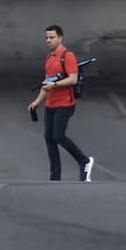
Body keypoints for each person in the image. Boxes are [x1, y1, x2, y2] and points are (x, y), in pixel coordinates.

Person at [28, 25, 95, 182]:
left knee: (58, 135)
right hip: (51, 104)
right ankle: (55, 178)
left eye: (52, 37)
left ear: (60, 38)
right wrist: (37, 102)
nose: (49, 41)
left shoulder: (67, 56)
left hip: (65, 104)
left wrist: (55, 85)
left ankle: (84, 161)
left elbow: (73, 78)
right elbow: (47, 83)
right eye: (47, 38)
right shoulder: (49, 58)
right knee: (49, 138)